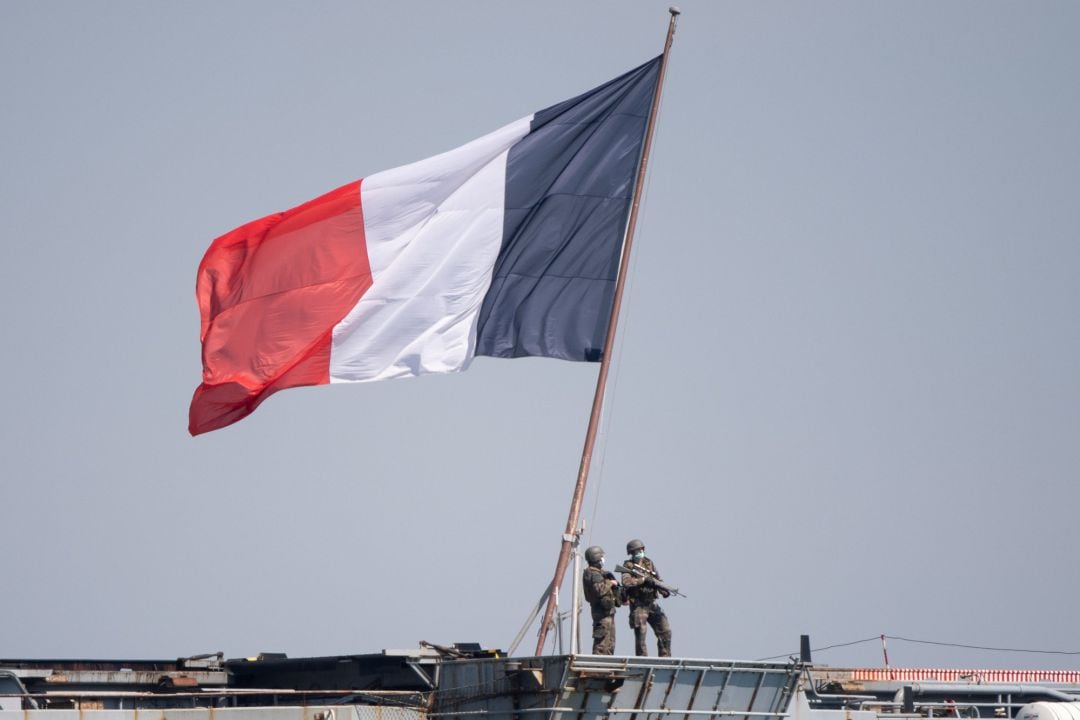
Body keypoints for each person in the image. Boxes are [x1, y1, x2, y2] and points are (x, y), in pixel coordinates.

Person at [620, 538, 672, 657]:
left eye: (640, 550)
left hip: (651, 603)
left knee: (665, 630)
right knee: (641, 635)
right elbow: (626, 582)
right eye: (636, 551)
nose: (639, 553)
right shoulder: (628, 566)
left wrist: (663, 590)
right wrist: (642, 580)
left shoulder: (649, 563)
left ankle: (665, 658)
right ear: (631, 553)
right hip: (639, 605)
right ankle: (642, 659)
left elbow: (657, 580)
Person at [582, 545, 621, 655]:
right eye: (601, 557)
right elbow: (599, 590)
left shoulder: (599, 573)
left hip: (608, 612)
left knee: (610, 643)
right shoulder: (593, 574)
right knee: (601, 643)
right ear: (596, 558)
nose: (603, 559)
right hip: (601, 613)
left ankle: (607, 667)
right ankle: (598, 667)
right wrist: (610, 583)